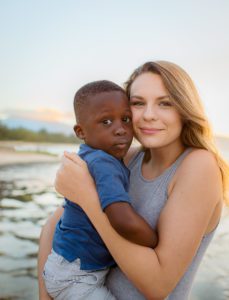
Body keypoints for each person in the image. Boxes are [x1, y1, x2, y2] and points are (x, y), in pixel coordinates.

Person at [39, 61, 229, 300]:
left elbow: (158, 286)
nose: (149, 115)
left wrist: (87, 197)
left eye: (165, 103)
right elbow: (50, 229)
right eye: (138, 103)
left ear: (184, 109)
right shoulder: (126, 157)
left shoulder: (199, 166)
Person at [42, 80, 158, 300]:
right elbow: (121, 218)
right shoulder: (103, 163)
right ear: (80, 131)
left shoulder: (92, 157)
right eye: (106, 122)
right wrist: (156, 242)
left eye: (125, 119)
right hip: (77, 276)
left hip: (66, 266)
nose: (120, 129)